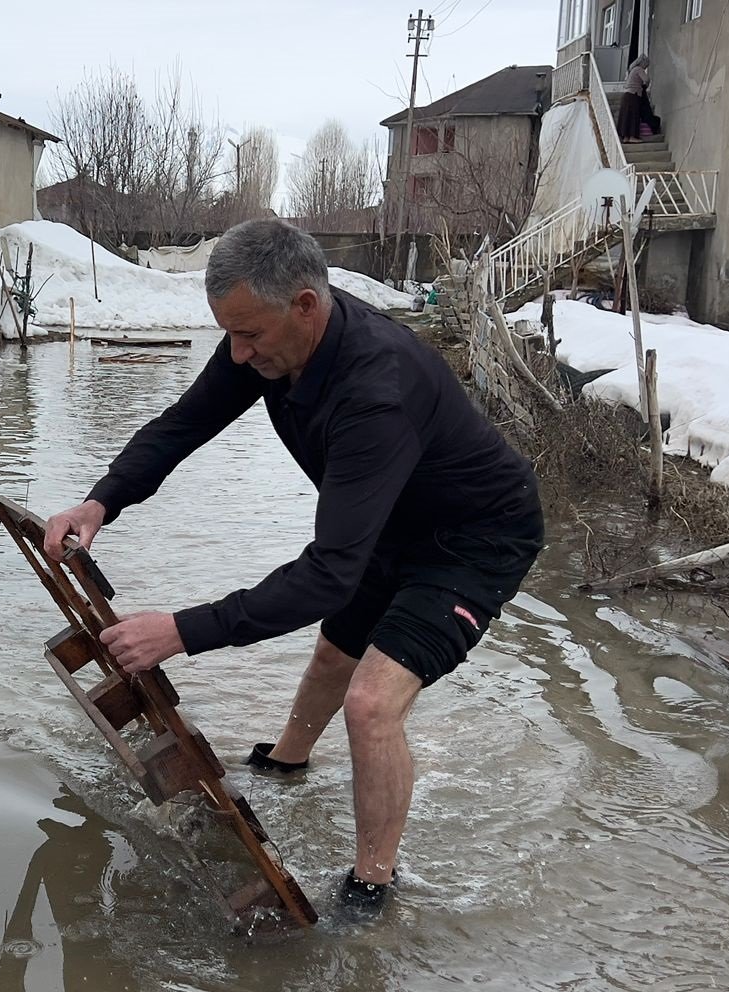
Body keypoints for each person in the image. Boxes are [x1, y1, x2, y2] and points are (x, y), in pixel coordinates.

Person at [41, 220, 543, 913]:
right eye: (229, 335)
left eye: (249, 335)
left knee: (371, 703)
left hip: (473, 538)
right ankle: (288, 760)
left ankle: (373, 886)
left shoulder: (376, 390)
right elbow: (183, 424)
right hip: (388, 520)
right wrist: (101, 503)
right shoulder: (268, 343)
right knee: (335, 651)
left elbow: (327, 575)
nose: (238, 355)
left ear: (305, 305)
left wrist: (182, 631)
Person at [620, 54, 653, 140]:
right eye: (646, 65)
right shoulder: (639, 69)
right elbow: (646, 79)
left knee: (627, 117)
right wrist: (646, 85)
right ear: (643, 63)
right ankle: (632, 137)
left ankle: (626, 137)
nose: (646, 68)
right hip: (633, 95)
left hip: (627, 95)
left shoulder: (632, 70)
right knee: (634, 116)